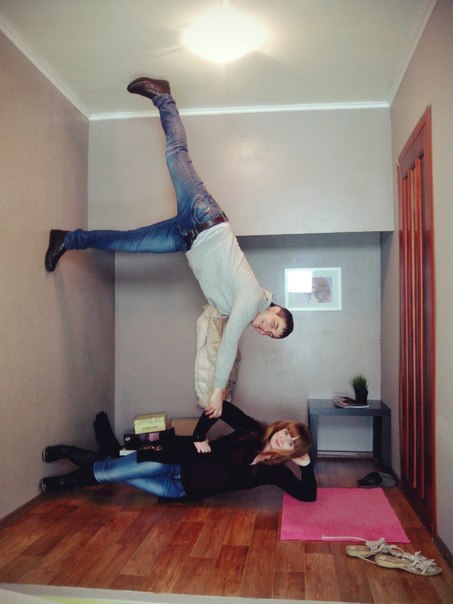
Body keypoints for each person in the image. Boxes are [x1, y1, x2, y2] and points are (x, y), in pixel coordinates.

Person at [44, 77, 294, 419]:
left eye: (270, 336)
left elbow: (215, 339)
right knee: (176, 154)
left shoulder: (236, 307)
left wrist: (211, 394)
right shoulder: (252, 298)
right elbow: (229, 343)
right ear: (274, 309)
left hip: (186, 236)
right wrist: (217, 393)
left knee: (126, 242)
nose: (266, 330)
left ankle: (67, 238)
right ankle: (163, 97)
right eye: (274, 325)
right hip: (204, 217)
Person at [40, 401, 317, 503]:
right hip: (174, 459)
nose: (285, 439)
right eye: (287, 432)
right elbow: (220, 408)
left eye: (292, 443)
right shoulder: (252, 430)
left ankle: (75, 454)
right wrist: (199, 435)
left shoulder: (275, 472)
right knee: (113, 473)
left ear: (292, 452)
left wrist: (305, 465)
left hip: (182, 491)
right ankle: (65, 479)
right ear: (282, 427)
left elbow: (308, 495)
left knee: (119, 471)